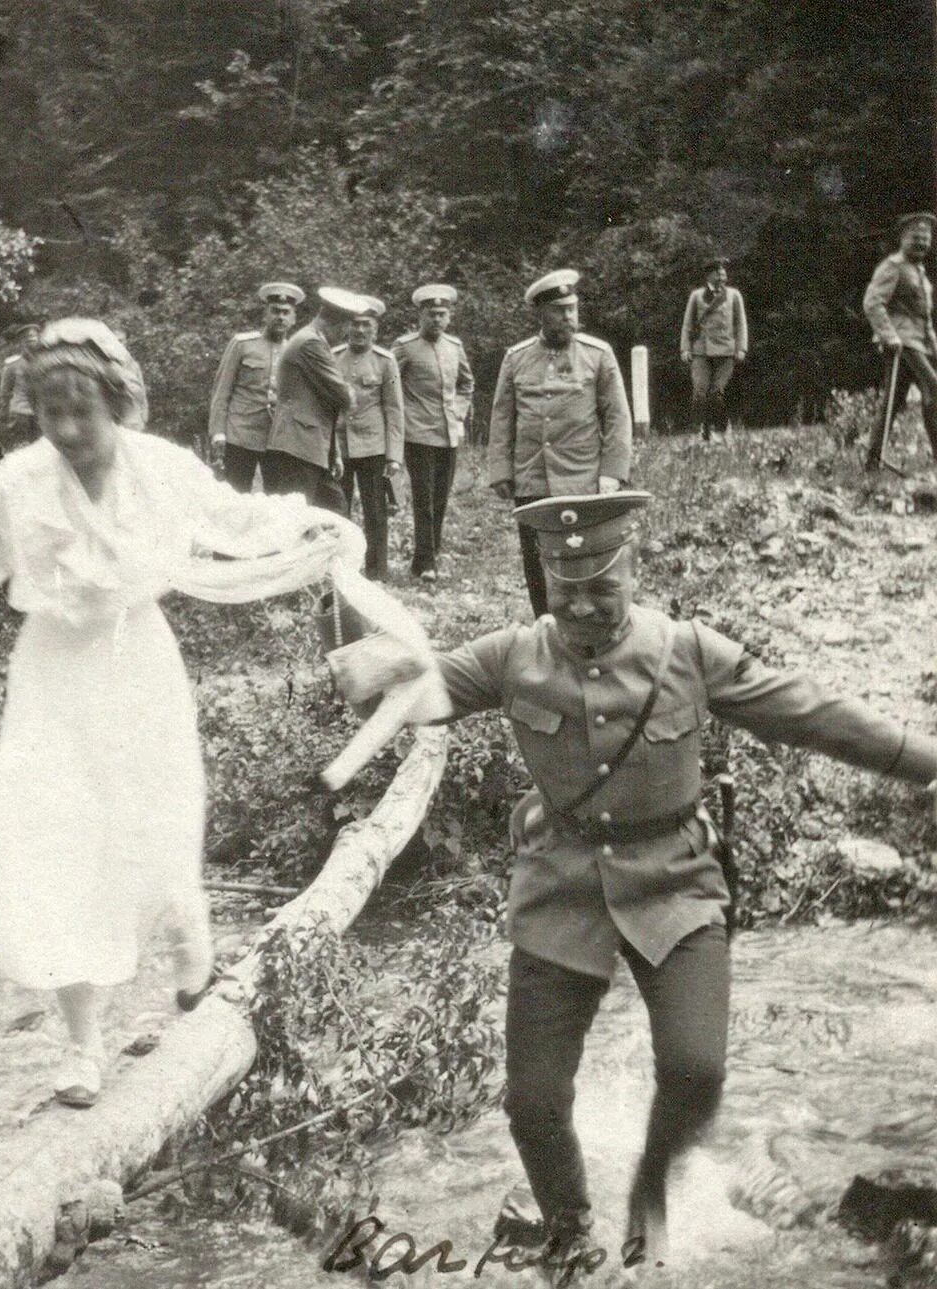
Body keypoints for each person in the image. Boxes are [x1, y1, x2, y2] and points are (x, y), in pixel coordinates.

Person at [332, 491, 937, 1283]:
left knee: (697, 1070)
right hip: (559, 891)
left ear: (632, 568)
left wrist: (925, 762)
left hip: (676, 883)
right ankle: (571, 1235)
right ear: (545, 578)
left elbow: (809, 713)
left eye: (601, 587)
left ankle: (650, 1190)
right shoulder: (512, 655)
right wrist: (338, 590)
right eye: (565, 588)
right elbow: (397, 689)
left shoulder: (687, 649)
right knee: (533, 1101)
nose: (582, 604)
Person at [0, 318, 363, 1109]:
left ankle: (187, 930)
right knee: (62, 851)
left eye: (82, 413)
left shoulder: (159, 467)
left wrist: (317, 521)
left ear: (118, 402)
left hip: (138, 664)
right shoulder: (17, 482)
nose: (65, 430)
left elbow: (237, 519)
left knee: (158, 820)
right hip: (53, 679)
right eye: (49, 412)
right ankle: (82, 1046)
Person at [488, 269, 632, 619]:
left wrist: (612, 473)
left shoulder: (598, 355)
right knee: (537, 564)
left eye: (572, 309)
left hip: (582, 479)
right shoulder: (517, 358)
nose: (569, 317)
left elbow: (616, 416)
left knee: (583, 560)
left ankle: (585, 629)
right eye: (559, 310)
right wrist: (501, 471)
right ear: (540, 314)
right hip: (532, 479)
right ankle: (545, 630)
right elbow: (503, 416)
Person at [393, 284, 475, 583]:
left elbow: (467, 384)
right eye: (432, 314)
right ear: (420, 316)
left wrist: (459, 413)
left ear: (449, 316)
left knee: (440, 497)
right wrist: (402, 417)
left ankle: (429, 555)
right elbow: (390, 385)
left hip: (448, 434)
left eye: (442, 314)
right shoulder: (405, 346)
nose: (437, 320)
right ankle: (426, 561)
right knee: (423, 498)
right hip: (417, 434)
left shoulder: (454, 347)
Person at [264, 286, 371, 508]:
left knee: (335, 514)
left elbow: (326, 403)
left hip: (310, 448)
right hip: (297, 449)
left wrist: (334, 453)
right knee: (295, 523)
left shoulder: (312, 341)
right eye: (346, 328)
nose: (345, 335)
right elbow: (344, 397)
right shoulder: (310, 343)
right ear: (337, 322)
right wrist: (347, 392)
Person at [331, 297, 405, 581]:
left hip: (373, 446)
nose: (360, 330)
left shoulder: (385, 362)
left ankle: (377, 571)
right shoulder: (333, 357)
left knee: (375, 512)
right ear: (346, 328)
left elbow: (394, 409)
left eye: (366, 325)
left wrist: (394, 457)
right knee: (339, 508)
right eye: (355, 324)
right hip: (339, 446)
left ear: (375, 330)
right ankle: (341, 567)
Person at [207, 282, 304, 492]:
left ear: (294, 318)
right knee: (234, 496)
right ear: (265, 315)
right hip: (240, 434)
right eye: (275, 311)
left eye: (286, 313)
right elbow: (221, 391)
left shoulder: (297, 351)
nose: (280, 317)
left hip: (277, 439)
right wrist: (218, 433)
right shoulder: (243, 344)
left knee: (278, 499)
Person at [862, 210, 937, 469]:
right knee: (934, 387)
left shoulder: (919, 270)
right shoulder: (892, 266)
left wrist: (933, 342)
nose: (922, 243)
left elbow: (923, 314)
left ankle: (872, 461)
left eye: (926, 238)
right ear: (903, 238)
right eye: (916, 237)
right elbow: (873, 302)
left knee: (893, 402)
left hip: (920, 342)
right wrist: (889, 335)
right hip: (902, 342)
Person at [680, 257, 748, 443]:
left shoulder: (733, 295)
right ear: (709, 275)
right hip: (701, 351)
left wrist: (741, 348)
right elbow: (688, 324)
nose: (722, 275)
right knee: (700, 392)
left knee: (716, 393)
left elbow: (740, 323)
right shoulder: (696, 296)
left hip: (726, 352)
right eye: (718, 271)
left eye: (723, 271)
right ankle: (702, 431)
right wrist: (685, 349)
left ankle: (722, 429)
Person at [0, 323, 40, 455]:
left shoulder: (46, 363)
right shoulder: (13, 365)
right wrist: (3, 415)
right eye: (27, 339)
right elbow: (4, 393)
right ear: (21, 342)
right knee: (20, 453)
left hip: (41, 415)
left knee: (43, 455)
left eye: (34, 338)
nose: (31, 341)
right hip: (20, 415)